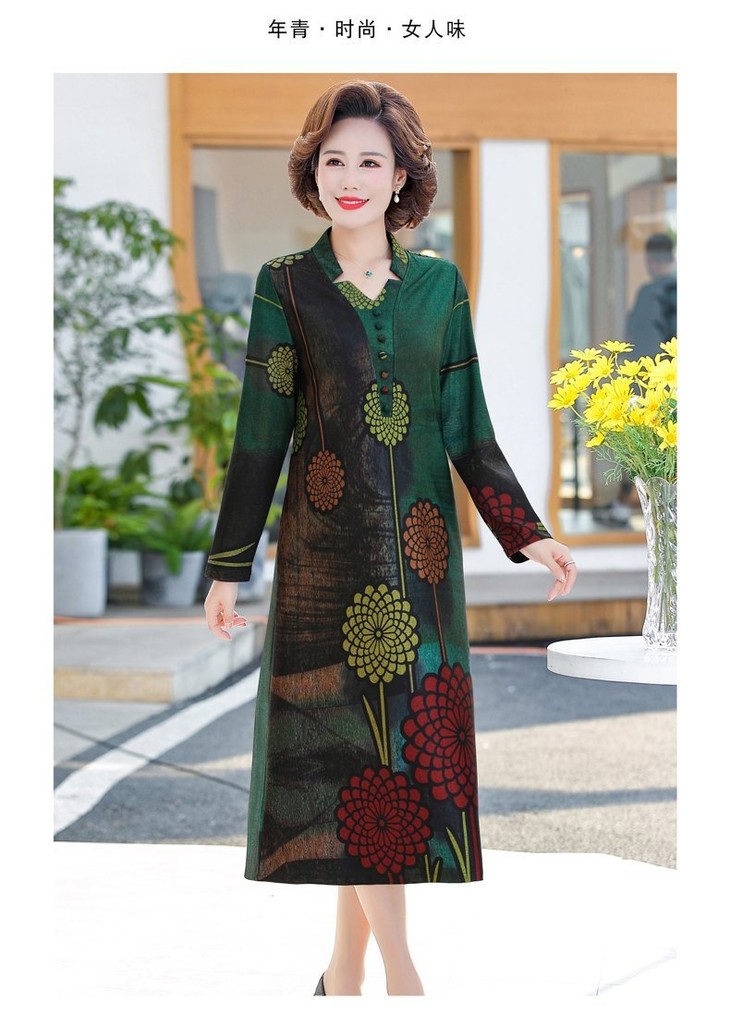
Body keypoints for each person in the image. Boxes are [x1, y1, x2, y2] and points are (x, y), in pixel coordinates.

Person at [203, 79, 577, 997]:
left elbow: (468, 429)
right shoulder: (285, 286)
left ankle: (343, 975)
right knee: (353, 764)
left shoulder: (440, 288)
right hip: (321, 566)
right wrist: (228, 566)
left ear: (402, 175)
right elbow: (260, 435)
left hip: (421, 562)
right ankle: (402, 980)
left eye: (370, 161)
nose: (351, 178)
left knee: (389, 768)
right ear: (313, 172)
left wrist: (527, 533)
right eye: (334, 160)